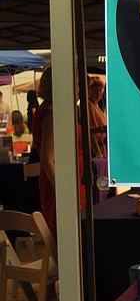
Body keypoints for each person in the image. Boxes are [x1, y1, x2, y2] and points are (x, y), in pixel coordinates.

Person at [31, 67, 85, 240]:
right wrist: (65, 192)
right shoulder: (51, 115)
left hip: (66, 180)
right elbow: (48, 160)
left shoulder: (52, 111)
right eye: (76, 83)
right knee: (67, 233)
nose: (78, 88)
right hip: (62, 182)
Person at [87, 76, 107, 157]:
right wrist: (98, 153)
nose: (99, 93)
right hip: (96, 148)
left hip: (102, 146)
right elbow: (90, 132)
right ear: (89, 91)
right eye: (96, 90)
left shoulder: (97, 105)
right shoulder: (89, 105)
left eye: (100, 90)